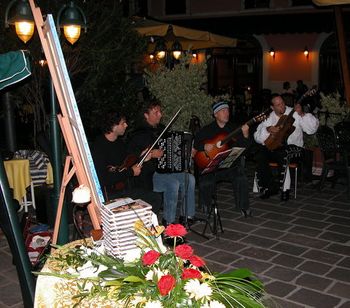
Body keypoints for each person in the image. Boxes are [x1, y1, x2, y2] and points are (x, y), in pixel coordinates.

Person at [127, 100, 196, 226]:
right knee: (173, 183)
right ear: (146, 115)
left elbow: (173, 148)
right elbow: (132, 155)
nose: (160, 114)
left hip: (166, 170)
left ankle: (187, 215)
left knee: (189, 179)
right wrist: (151, 153)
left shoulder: (162, 129)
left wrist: (186, 150)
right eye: (156, 112)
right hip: (149, 175)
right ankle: (168, 221)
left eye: (160, 111)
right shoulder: (138, 134)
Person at [91, 111, 162, 213]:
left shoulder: (119, 143)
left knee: (155, 197)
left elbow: (127, 163)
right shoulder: (99, 147)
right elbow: (103, 179)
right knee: (152, 198)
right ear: (113, 126)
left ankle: (142, 227)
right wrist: (131, 172)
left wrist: (143, 157)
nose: (126, 125)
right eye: (123, 123)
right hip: (109, 194)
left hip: (123, 189)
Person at [254, 94, 319, 201]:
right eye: (278, 105)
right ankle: (270, 187)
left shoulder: (295, 113)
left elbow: (312, 129)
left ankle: (285, 189)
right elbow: (257, 137)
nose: (282, 106)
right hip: (278, 150)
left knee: (283, 152)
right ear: (272, 107)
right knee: (260, 153)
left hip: (297, 150)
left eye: (283, 103)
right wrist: (267, 129)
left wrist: (302, 113)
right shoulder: (269, 117)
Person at [193, 101, 252, 217]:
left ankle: (243, 207)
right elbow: (195, 145)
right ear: (215, 114)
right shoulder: (206, 130)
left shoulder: (234, 129)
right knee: (206, 180)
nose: (227, 113)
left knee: (241, 177)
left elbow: (245, 149)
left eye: (228, 110)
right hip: (211, 166)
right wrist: (203, 146)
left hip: (229, 165)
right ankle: (206, 205)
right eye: (223, 111)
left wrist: (245, 135)